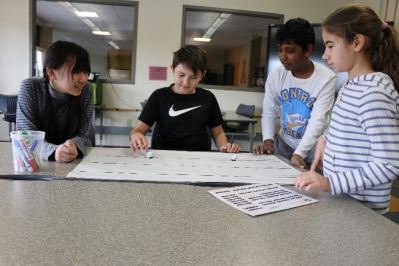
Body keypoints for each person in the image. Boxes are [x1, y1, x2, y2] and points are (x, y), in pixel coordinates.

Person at [295, 4, 399, 214]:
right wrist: (326, 138)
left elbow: (389, 164)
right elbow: (347, 125)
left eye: (330, 46)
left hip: (364, 212)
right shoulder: (350, 87)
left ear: (357, 43)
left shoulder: (373, 94)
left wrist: (330, 183)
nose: (325, 55)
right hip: (344, 203)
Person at [254, 18, 336, 169]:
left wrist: (299, 154)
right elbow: (269, 110)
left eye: (290, 51)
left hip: (313, 150)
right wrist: (268, 141)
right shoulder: (276, 75)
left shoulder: (326, 78)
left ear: (308, 50)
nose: (282, 57)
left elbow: (318, 121)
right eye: (280, 50)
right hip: (284, 145)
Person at [129, 45, 240, 153]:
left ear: (202, 75)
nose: (186, 83)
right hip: (163, 157)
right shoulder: (158, 96)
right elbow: (138, 130)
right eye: (181, 75)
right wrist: (136, 135)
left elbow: (218, 133)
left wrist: (225, 147)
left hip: (199, 159)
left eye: (193, 77)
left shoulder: (208, 98)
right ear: (172, 69)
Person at [16, 40, 93, 163]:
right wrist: (54, 151)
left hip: (72, 161)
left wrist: (71, 146)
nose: (84, 78)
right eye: (76, 71)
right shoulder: (30, 88)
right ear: (52, 73)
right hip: (36, 162)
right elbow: (26, 136)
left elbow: (84, 134)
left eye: (85, 71)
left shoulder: (86, 90)